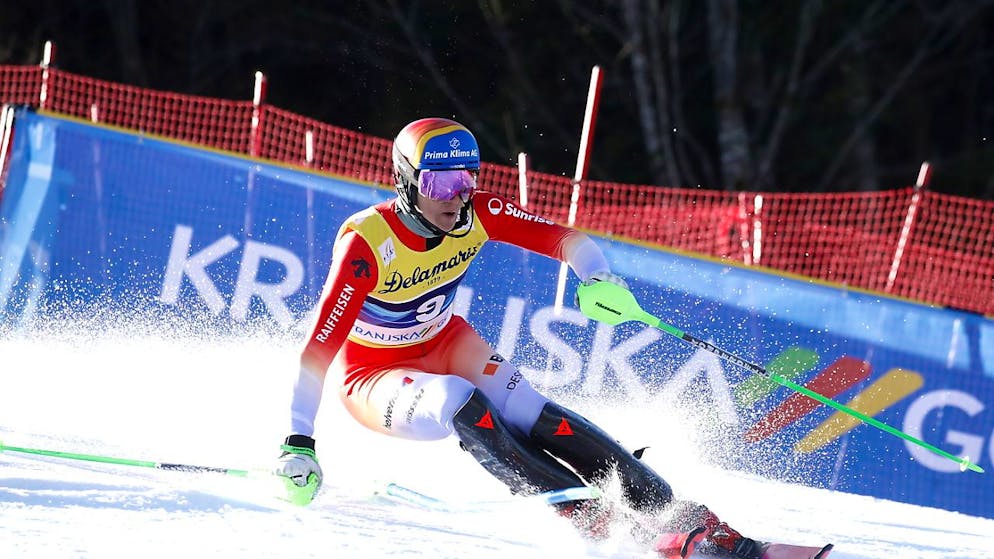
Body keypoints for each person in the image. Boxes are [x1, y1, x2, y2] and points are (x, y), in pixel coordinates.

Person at [272, 117, 832, 559]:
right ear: (407, 181)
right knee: (459, 402)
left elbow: (568, 240)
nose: (456, 196)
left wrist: (598, 278)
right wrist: (299, 443)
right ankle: (594, 519)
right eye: (441, 182)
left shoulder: (479, 212)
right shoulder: (368, 242)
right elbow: (318, 348)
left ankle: (695, 524)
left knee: (530, 410)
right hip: (372, 375)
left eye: (466, 180)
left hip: (443, 341)